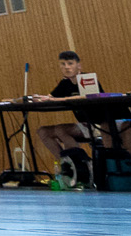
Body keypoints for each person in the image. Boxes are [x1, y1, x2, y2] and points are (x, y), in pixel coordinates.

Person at [31, 50, 94, 179]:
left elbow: (85, 98)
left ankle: (81, 166)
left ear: (79, 66)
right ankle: (66, 164)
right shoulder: (64, 83)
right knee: (43, 131)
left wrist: (54, 99)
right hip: (82, 125)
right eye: (63, 64)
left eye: (70, 63)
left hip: (97, 124)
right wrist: (38, 98)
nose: (66, 67)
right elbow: (50, 97)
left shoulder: (87, 80)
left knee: (61, 129)